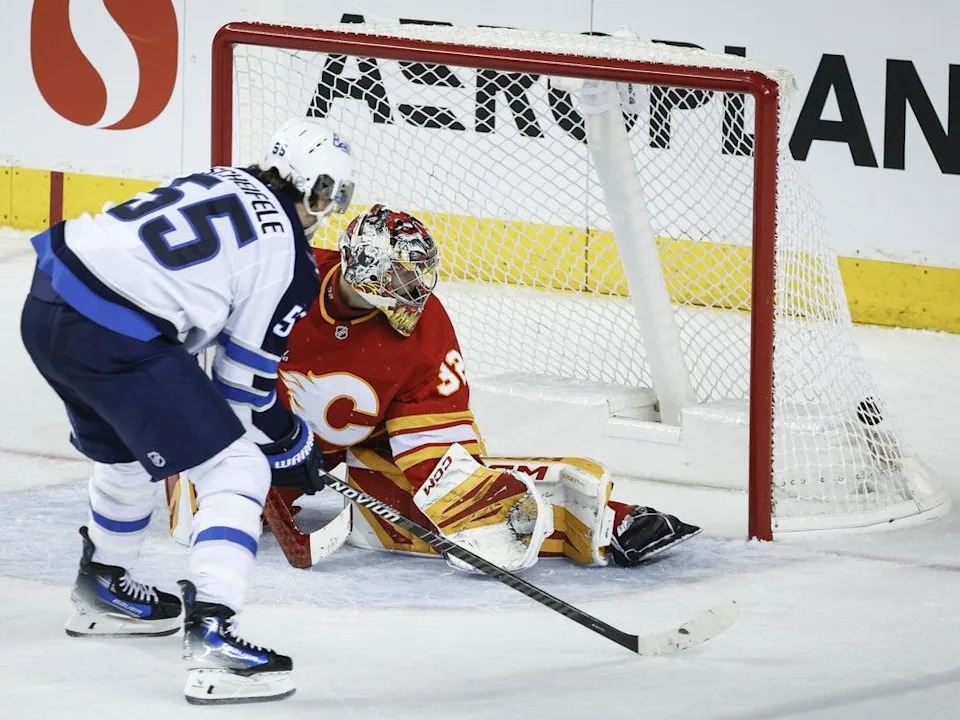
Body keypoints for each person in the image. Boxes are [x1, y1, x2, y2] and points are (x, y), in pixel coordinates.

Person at [19, 117, 354, 705]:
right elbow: (243, 388)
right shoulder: (289, 255)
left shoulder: (218, 178)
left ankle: (103, 586)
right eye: (326, 191)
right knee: (238, 469)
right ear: (303, 182)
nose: (325, 207)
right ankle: (214, 640)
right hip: (114, 330)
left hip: (47, 297)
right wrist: (291, 443)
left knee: (125, 448)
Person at [267, 204, 701, 573]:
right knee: (212, 503)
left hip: (380, 438)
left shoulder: (425, 329)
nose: (414, 291)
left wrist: (463, 503)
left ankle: (609, 520)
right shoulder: (283, 281)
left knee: (438, 509)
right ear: (364, 267)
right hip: (269, 436)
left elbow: (437, 451)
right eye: (401, 277)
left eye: (418, 276)